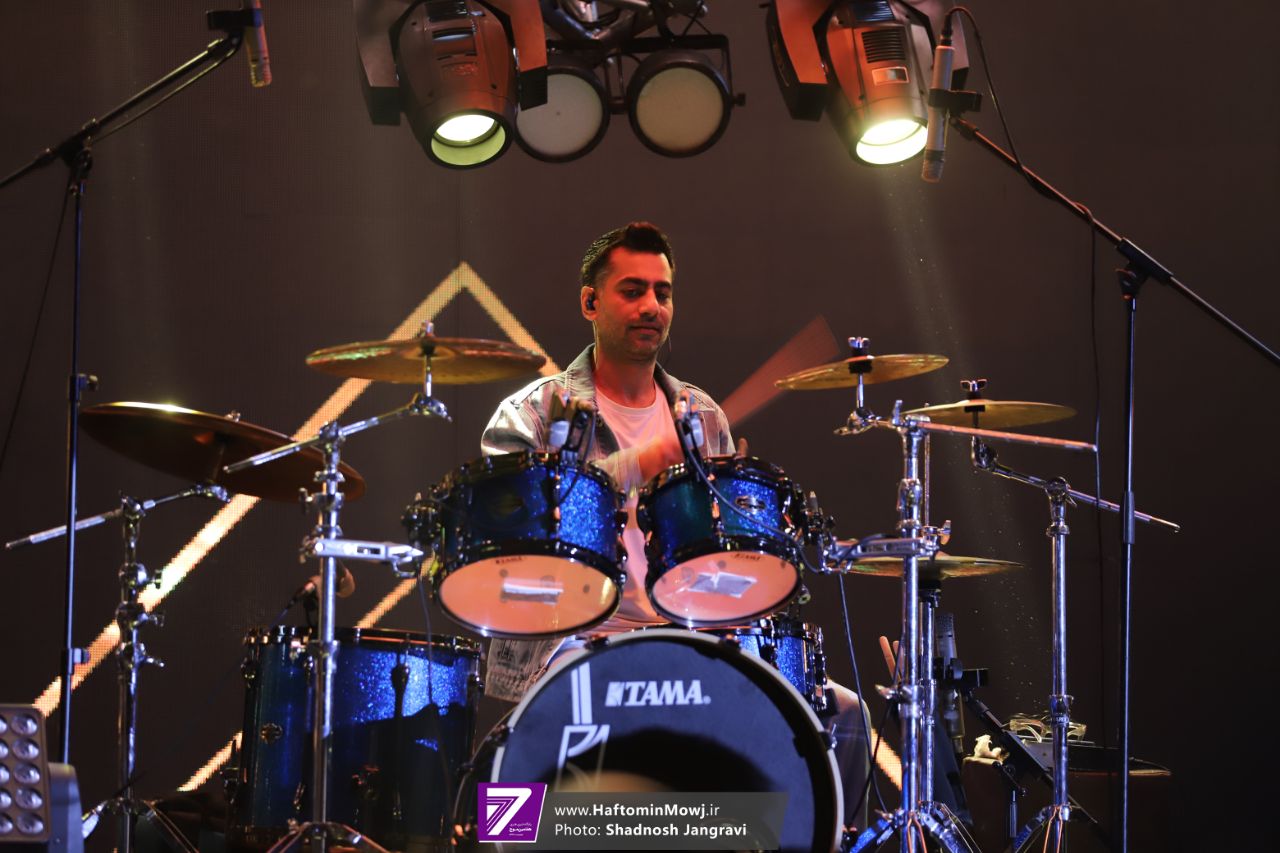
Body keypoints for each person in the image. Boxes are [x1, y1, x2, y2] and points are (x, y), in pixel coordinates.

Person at [479, 222, 872, 828]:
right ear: (590, 303)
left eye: (662, 293)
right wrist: (637, 463)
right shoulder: (531, 413)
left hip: (687, 634)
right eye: (632, 290)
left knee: (845, 714)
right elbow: (513, 530)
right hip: (572, 641)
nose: (651, 306)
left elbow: (723, 557)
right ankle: (517, 836)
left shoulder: (700, 414)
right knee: (534, 767)